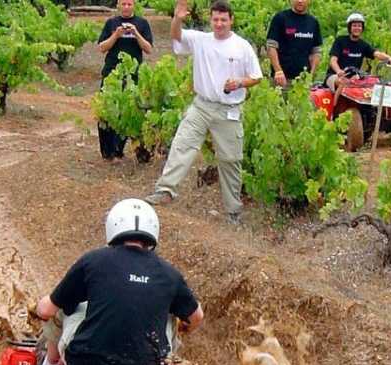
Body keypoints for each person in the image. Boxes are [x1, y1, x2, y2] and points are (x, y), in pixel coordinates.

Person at [35, 198, 204, 365]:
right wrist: (183, 328)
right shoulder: (169, 273)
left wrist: (43, 304)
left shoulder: (93, 261)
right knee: (172, 314)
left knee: (63, 304)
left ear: (113, 228)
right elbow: (197, 317)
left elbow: (46, 311)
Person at [144, 0, 262, 224]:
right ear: (210, 20)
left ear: (231, 20)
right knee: (182, 143)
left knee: (230, 160)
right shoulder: (201, 40)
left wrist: (239, 83)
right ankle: (166, 190)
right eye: (215, 19)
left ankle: (233, 210)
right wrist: (177, 18)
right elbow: (177, 36)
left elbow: (256, 77)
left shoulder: (242, 46)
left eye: (223, 20)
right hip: (201, 105)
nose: (219, 24)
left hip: (229, 110)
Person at [96, 0, 153, 161]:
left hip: (133, 75)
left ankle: (118, 150)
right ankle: (107, 152)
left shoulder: (142, 23)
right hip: (111, 74)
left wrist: (136, 34)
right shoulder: (111, 23)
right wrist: (116, 35)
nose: (126, 7)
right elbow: (102, 48)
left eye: (129, 4)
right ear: (118, 5)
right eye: (123, 4)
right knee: (106, 111)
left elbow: (148, 49)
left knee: (128, 111)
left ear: (134, 5)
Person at [325, 13, 391, 92]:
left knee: (373, 83)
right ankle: (335, 104)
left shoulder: (363, 45)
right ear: (349, 27)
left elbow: (377, 54)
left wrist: (389, 58)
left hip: (353, 78)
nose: (357, 28)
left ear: (362, 28)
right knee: (342, 82)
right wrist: (338, 71)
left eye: (359, 26)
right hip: (334, 76)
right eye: (354, 25)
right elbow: (333, 60)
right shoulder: (340, 41)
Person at [266, 0, 322, 87]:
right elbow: (271, 46)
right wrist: (278, 71)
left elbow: (316, 52)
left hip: (303, 81)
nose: (300, 1)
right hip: (282, 79)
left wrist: (311, 75)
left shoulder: (313, 22)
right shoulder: (280, 18)